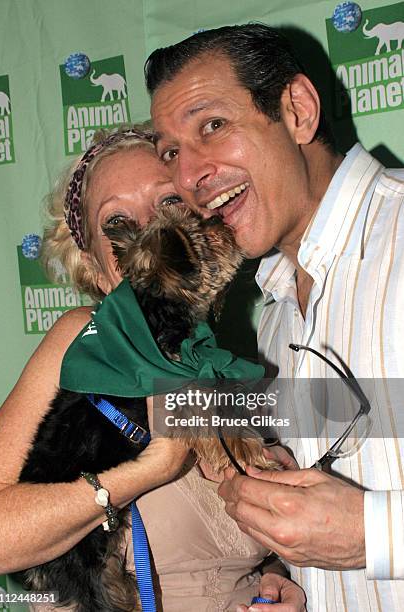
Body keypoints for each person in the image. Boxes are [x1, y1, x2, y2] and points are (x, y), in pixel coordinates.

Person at [145, 23, 404, 612]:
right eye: (171, 154)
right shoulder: (275, 319)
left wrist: (375, 534)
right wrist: (303, 588)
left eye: (213, 126)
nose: (188, 177)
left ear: (298, 111)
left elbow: (363, 533)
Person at [0, 125, 301, 611]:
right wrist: (145, 472)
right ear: (94, 266)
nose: (151, 230)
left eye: (170, 204)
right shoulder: (83, 343)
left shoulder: (228, 361)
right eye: (118, 221)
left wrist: (279, 579)